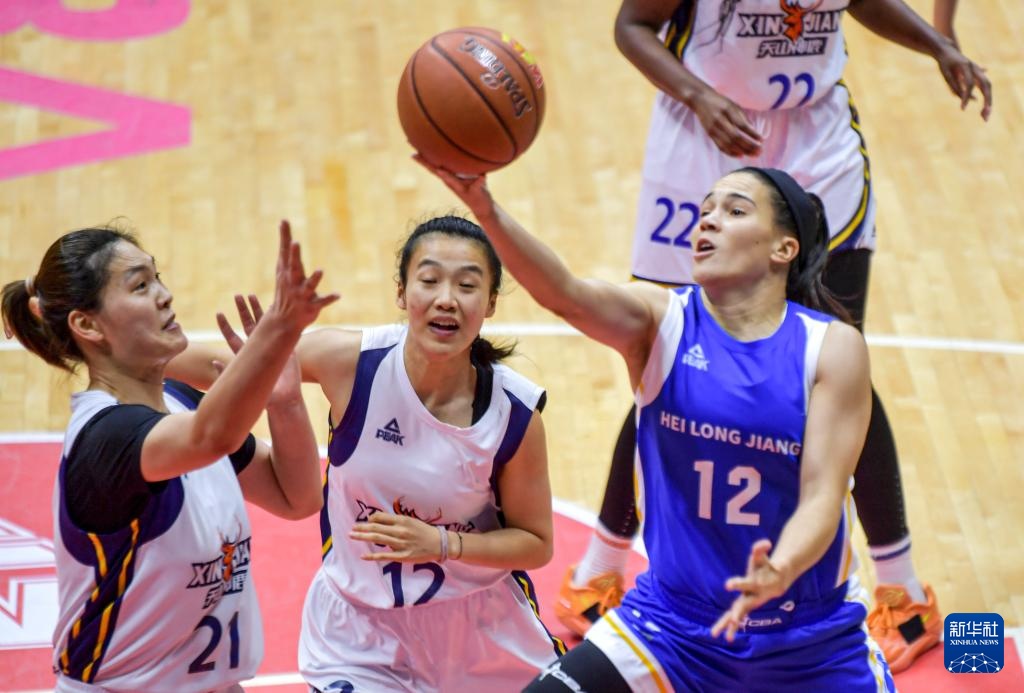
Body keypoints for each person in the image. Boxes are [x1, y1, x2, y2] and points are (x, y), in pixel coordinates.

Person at [557, 0, 993, 673]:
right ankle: (599, 571)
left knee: (842, 366)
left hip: (816, 143)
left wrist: (938, 43)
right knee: (669, 361)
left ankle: (901, 590)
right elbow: (630, 26)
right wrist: (699, 96)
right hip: (706, 136)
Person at [422, 159, 894, 691]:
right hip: (670, 628)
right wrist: (485, 207)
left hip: (811, 642)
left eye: (735, 210)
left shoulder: (830, 347)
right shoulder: (661, 320)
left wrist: (781, 568)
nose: (708, 220)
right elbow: (564, 294)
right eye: (706, 209)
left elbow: (823, 496)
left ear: (784, 249)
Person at [171, 216, 566, 692]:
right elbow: (218, 365)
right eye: (429, 280)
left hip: (482, 631)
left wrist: (444, 544)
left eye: (466, 285)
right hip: (360, 636)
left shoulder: (512, 414)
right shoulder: (351, 363)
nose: (446, 298)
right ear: (402, 292)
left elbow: (535, 543)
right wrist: (121, 351)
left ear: (490, 303)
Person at [1, 220, 337, 692]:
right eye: (140, 286)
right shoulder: (107, 439)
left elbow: (297, 497)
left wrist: (285, 402)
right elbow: (211, 437)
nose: (164, 295)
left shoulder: (182, 404)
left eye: (156, 277)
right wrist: (277, 331)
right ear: (87, 325)